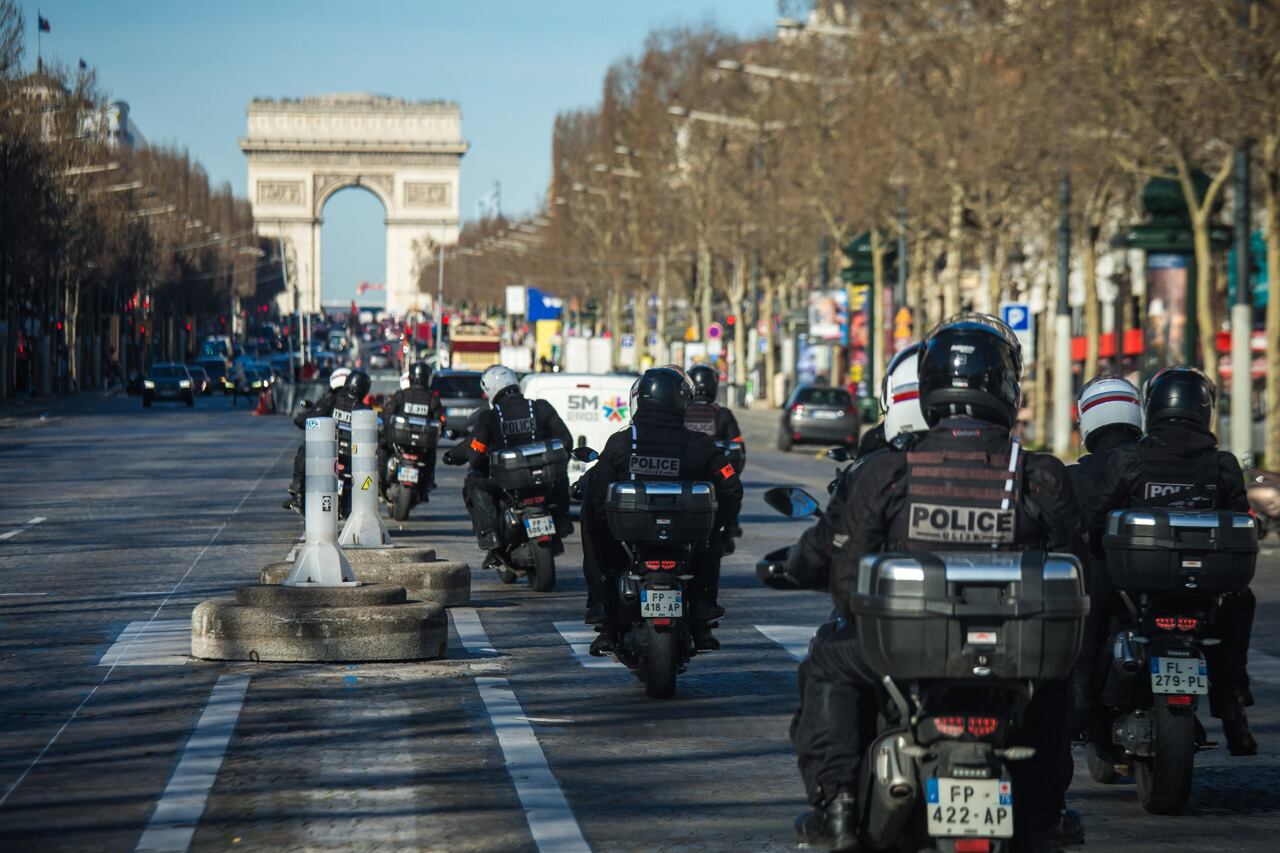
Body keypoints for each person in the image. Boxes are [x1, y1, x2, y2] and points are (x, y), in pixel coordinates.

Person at [792, 314, 1085, 852]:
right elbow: (1079, 563)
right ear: (1005, 388)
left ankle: (837, 805)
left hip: (904, 655)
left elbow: (845, 574)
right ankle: (1045, 811)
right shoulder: (1039, 473)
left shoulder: (890, 471)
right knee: (1057, 678)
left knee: (828, 663)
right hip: (1012, 654)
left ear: (927, 387)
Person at [1084, 366, 1257, 755]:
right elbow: (1240, 521)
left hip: (1140, 592)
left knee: (1093, 613)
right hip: (1206, 593)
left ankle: (1085, 705)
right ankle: (1231, 703)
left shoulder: (1129, 460)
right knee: (1242, 601)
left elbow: (1096, 519)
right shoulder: (1224, 465)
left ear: (1153, 408)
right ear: (1205, 409)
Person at [581, 366, 743, 653]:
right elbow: (731, 487)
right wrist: (723, 523)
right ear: (679, 401)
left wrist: (604, 524)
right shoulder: (699, 445)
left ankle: (603, 613)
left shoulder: (620, 443)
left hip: (630, 539)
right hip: (685, 539)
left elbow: (597, 492)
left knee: (591, 520)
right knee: (712, 532)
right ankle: (703, 612)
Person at [768, 342, 930, 597]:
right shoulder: (1012, 466)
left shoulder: (879, 469)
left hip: (889, 623)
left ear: (892, 393)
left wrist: (799, 563)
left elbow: (838, 539)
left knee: (833, 634)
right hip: (992, 622)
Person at [1065, 376, 1143, 727]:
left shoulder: (1075, 476)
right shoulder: (1152, 463)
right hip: (1153, 588)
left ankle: (1079, 701)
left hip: (1101, 586)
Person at [447, 365, 574, 572]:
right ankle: (562, 520)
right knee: (560, 472)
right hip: (543, 481)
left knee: (473, 483)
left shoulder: (489, 417)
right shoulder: (541, 407)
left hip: (506, 484)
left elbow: (477, 455)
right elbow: (566, 441)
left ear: (491, 389)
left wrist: (478, 463)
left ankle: (491, 536)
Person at [684, 364, 746, 551]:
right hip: (713, 473)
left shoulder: (681, 411)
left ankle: (727, 528)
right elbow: (739, 450)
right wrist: (731, 471)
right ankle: (729, 527)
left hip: (685, 472)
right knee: (732, 490)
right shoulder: (723, 414)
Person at [282, 367, 350, 511]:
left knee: (306, 448)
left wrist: (300, 419)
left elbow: (310, 417)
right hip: (351, 452)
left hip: (332, 450)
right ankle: (298, 491)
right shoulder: (359, 405)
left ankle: (298, 489)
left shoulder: (330, 400)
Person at [380, 361, 444, 493]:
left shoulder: (401, 395)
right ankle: (429, 478)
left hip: (399, 441)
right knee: (431, 451)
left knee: (383, 446)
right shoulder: (432, 399)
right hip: (421, 444)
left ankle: (380, 477)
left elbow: (388, 413)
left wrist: (387, 430)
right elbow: (440, 421)